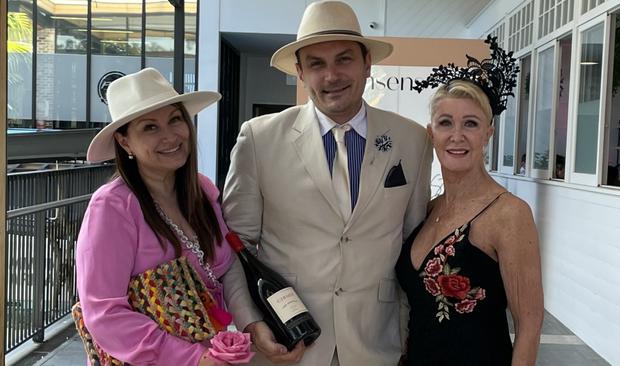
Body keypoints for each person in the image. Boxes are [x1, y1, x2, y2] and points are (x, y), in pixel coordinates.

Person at [221, 1, 432, 365]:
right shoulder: (259, 139)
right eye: (317, 64)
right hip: (288, 345)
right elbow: (234, 247)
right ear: (301, 72)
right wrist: (252, 322)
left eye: (344, 59)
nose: (332, 75)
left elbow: (413, 246)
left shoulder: (412, 140)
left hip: (376, 345)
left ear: (368, 63)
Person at [396, 36, 544, 365]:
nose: (457, 135)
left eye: (471, 124)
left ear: (488, 133)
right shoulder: (428, 208)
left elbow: (530, 324)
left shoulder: (509, 214)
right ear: (431, 132)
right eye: (446, 123)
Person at [76, 68, 235, 366]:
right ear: (125, 143)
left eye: (175, 119)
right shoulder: (112, 207)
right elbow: (104, 313)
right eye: (150, 127)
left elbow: (226, 272)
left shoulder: (202, 191)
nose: (170, 136)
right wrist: (193, 359)